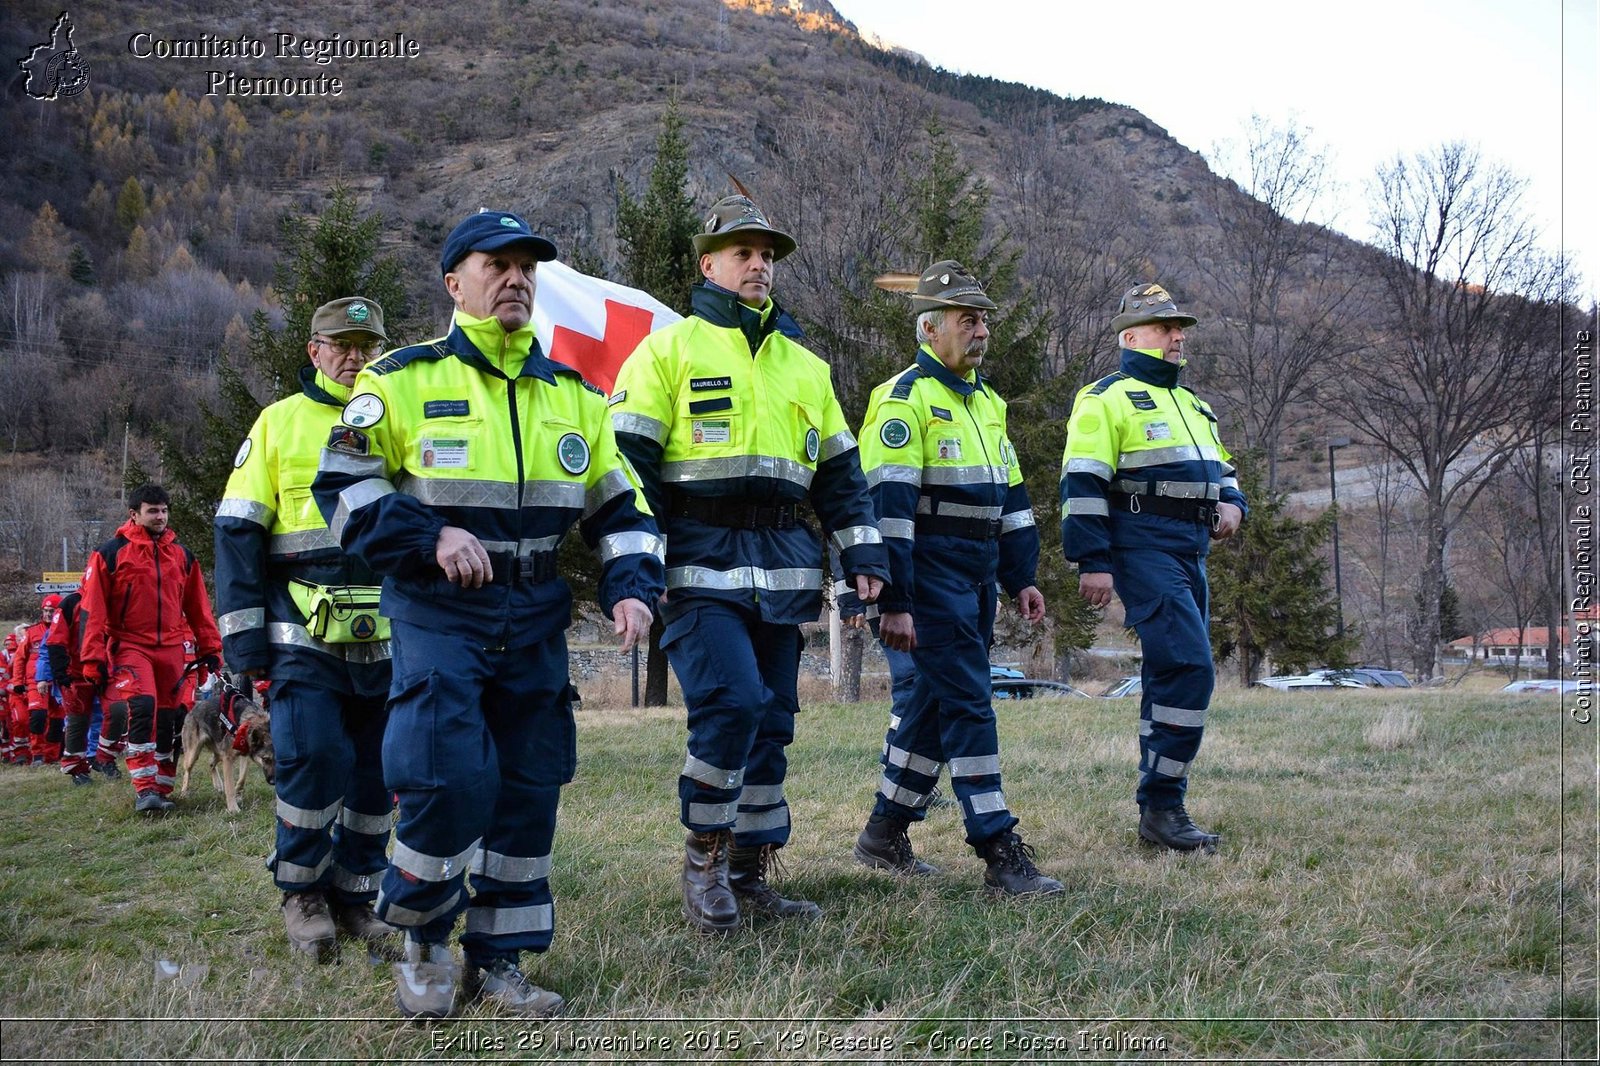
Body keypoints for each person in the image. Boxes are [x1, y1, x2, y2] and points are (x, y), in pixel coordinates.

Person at [312, 210, 662, 1019]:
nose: (516, 278)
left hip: (535, 617)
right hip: (440, 615)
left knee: (529, 787)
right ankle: (427, 944)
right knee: (445, 778)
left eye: (526, 267)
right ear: (453, 282)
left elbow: (623, 508)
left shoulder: (574, 396)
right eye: (495, 264)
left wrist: (633, 586)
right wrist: (429, 534)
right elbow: (343, 490)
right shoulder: (399, 380)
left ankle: (498, 961)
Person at [611, 194, 889, 933]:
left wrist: (859, 551)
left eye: (767, 254)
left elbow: (840, 477)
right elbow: (624, 473)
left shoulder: (807, 366)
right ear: (709, 264)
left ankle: (750, 870)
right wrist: (635, 572)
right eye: (743, 252)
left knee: (771, 722)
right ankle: (703, 858)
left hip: (784, 571)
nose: (759, 264)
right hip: (697, 567)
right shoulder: (666, 353)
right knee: (731, 703)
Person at [849, 261, 1062, 896]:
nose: (980, 330)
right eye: (967, 320)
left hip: (976, 580)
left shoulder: (988, 404)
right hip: (929, 578)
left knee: (930, 708)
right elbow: (886, 510)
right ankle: (998, 847)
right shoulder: (902, 401)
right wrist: (895, 599)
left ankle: (883, 835)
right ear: (928, 327)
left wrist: (1020, 575)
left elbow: (1013, 497)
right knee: (970, 703)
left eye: (984, 320)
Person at [216, 296, 399, 960]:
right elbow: (237, 530)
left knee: (379, 772)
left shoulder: (395, 417)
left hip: (387, 634)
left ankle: (356, 894)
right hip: (301, 632)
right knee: (315, 757)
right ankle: (303, 893)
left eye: (367, 346)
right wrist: (244, 644)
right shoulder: (278, 424)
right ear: (314, 350)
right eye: (341, 345)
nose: (355, 357)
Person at [1059, 284, 1247, 853]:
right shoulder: (1104, 399)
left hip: (1192, 552)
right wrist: (1092, 561)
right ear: (1130, 336)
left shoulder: (1194, 406)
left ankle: (1159, 811)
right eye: (1165, 327)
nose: (1177, 336)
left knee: (1170, 675)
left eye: (1179, 327)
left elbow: (1224, 465)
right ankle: (1164, 805)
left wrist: (1235, 502)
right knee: (1191, 668)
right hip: (1142, 549)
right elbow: (1082, 483)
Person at [78, 484, 223, 814]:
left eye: (164, 510)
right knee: (142, 706)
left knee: (173, 718)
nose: (161, 516)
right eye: (153, 511)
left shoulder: (182, 556)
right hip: (131, 644)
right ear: (134, 514)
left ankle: (163, 787)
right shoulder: (110, 553)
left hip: (172, 647)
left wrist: (210, 648)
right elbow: (92, 610)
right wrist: (92, 658)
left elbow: (199, 607)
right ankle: (144, 789)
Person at [41, 589, 104, 783]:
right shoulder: (70, 605)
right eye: (46, 611)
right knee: (78, 720)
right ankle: (76, 765)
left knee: (113, 715)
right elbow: (49, 649)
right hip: (75, 676)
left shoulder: (113, 599)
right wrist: (55, 676)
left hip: (105, 672)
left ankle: (101, 756)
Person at [15, 595, 61, 766]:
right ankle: (38, 754)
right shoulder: (32, 632)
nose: (48, 614)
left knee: (57, 720)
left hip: (57, 682)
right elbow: (20, 658)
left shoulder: (64, 629)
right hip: (35, 682)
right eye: (46, 611)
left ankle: (52, 756)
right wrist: (18, 681)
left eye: (52, 611)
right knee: (38, 716)